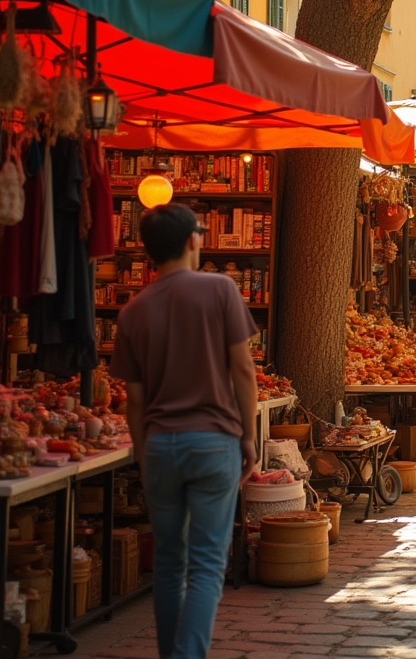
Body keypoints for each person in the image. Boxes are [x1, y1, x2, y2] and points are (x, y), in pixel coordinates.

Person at [109, 203, 259, 659]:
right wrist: (249, 437)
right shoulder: (220, 289)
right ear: (194, 240)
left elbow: (134, 401)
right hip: (213, 443)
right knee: (208, 564)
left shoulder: (133, 311)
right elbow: (243, 370)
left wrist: (142, 451)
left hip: (159, 445)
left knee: (170, 565)